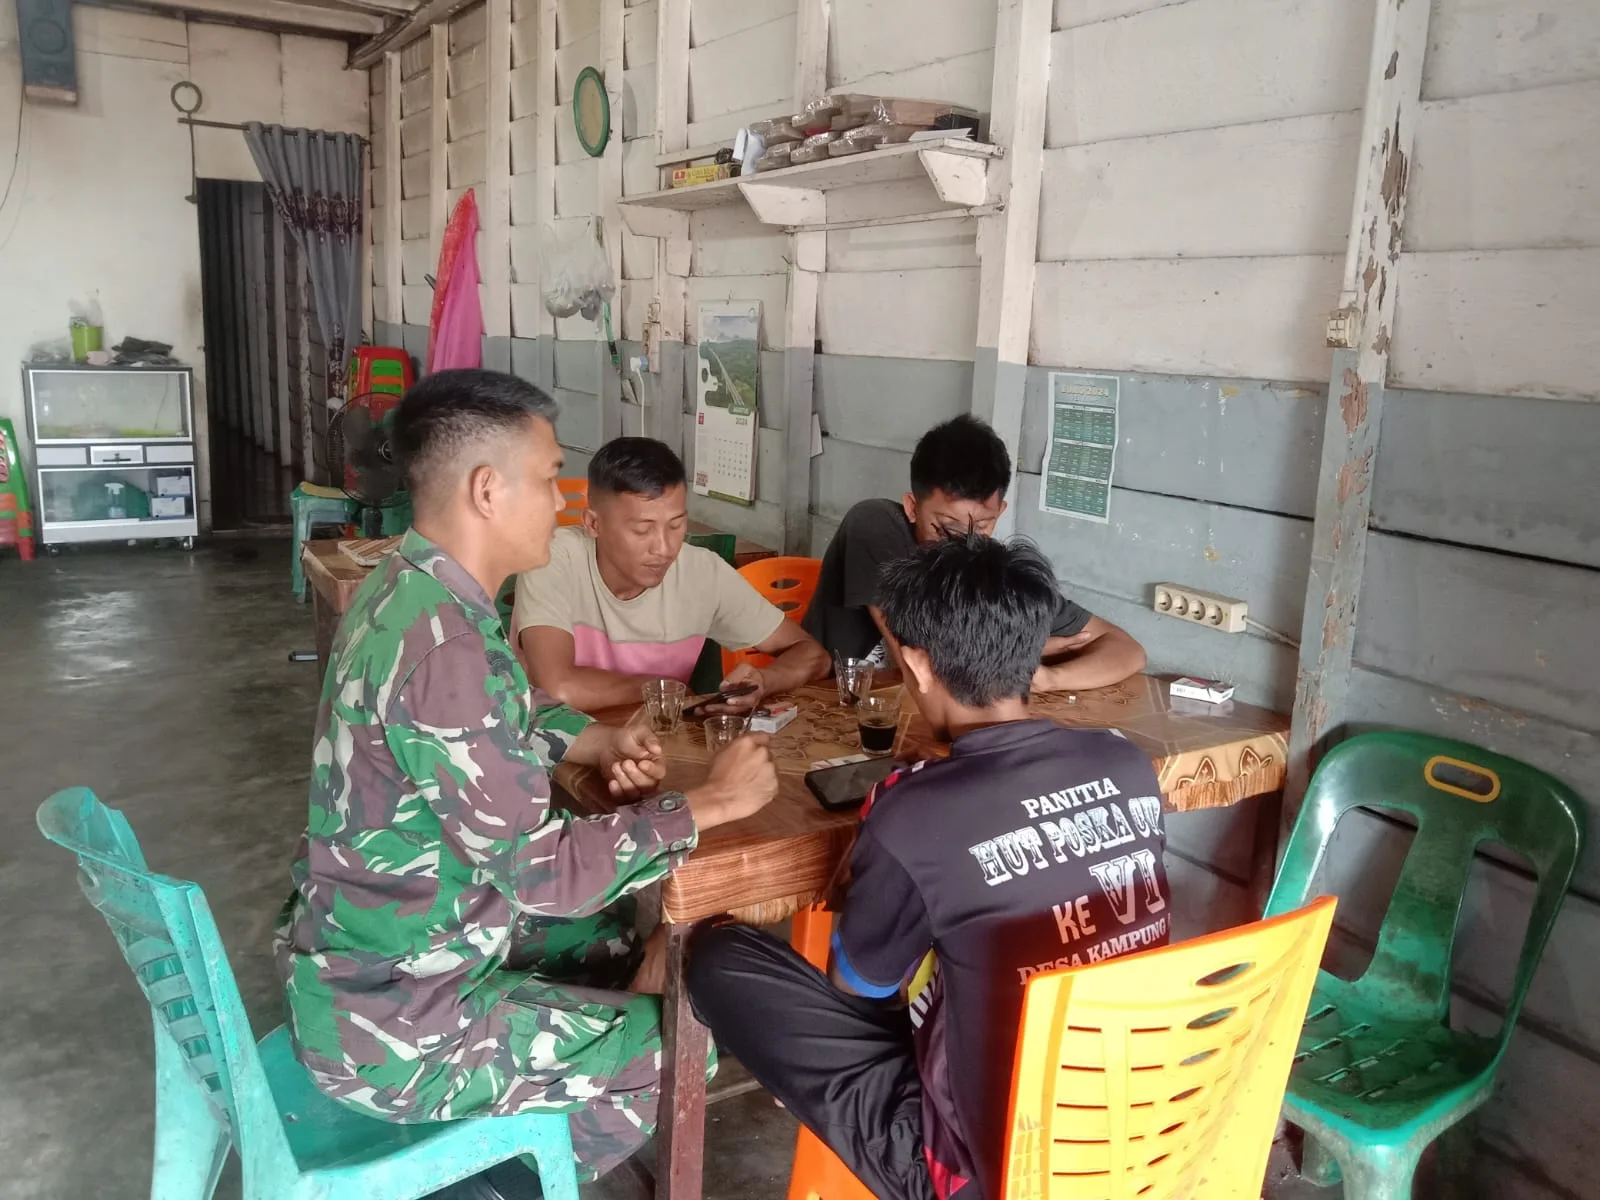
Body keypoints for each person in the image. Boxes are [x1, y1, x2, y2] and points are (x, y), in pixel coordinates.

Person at [274, 370, 780, 1199]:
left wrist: (597, 737)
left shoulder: (416, 590)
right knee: (680, 1046)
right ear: (486, 490)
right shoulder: (447, 644)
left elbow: (508, 707)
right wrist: (712, 802)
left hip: (376, 946)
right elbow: (541, 872)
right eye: (549, 479)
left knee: (616, 940)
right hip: (399, 1017)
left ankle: (545, 1091)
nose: (559, 502)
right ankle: (493, 1182)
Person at [688, 534, 1171, 1200]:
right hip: (1136, 1128)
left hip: (986, 1175)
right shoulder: (1127, 764)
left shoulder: (914, 811)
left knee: (719, 957)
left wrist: (908, 804)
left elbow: (860, 984)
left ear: (916, 663)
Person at [803, 414, 1146, 691]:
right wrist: (1026, 650)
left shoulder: (990, 571)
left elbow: (1126, 650)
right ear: (912, 507)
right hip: (831, 706)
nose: (962, 543)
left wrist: (1047, 678)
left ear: (1000, 512)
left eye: (982, 526)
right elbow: (923, 667)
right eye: (945, 528)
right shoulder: (876, 525)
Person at [514, 436, 829, 712]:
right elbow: (557, 687)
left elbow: (814, 656)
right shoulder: (552, 559)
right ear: (593, 523)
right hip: (551, 747)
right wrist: (661, 688)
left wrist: (765, 680)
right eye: (643, 530)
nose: (664, 548)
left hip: (655, 743)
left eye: (676, 525)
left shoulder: (703, 573)